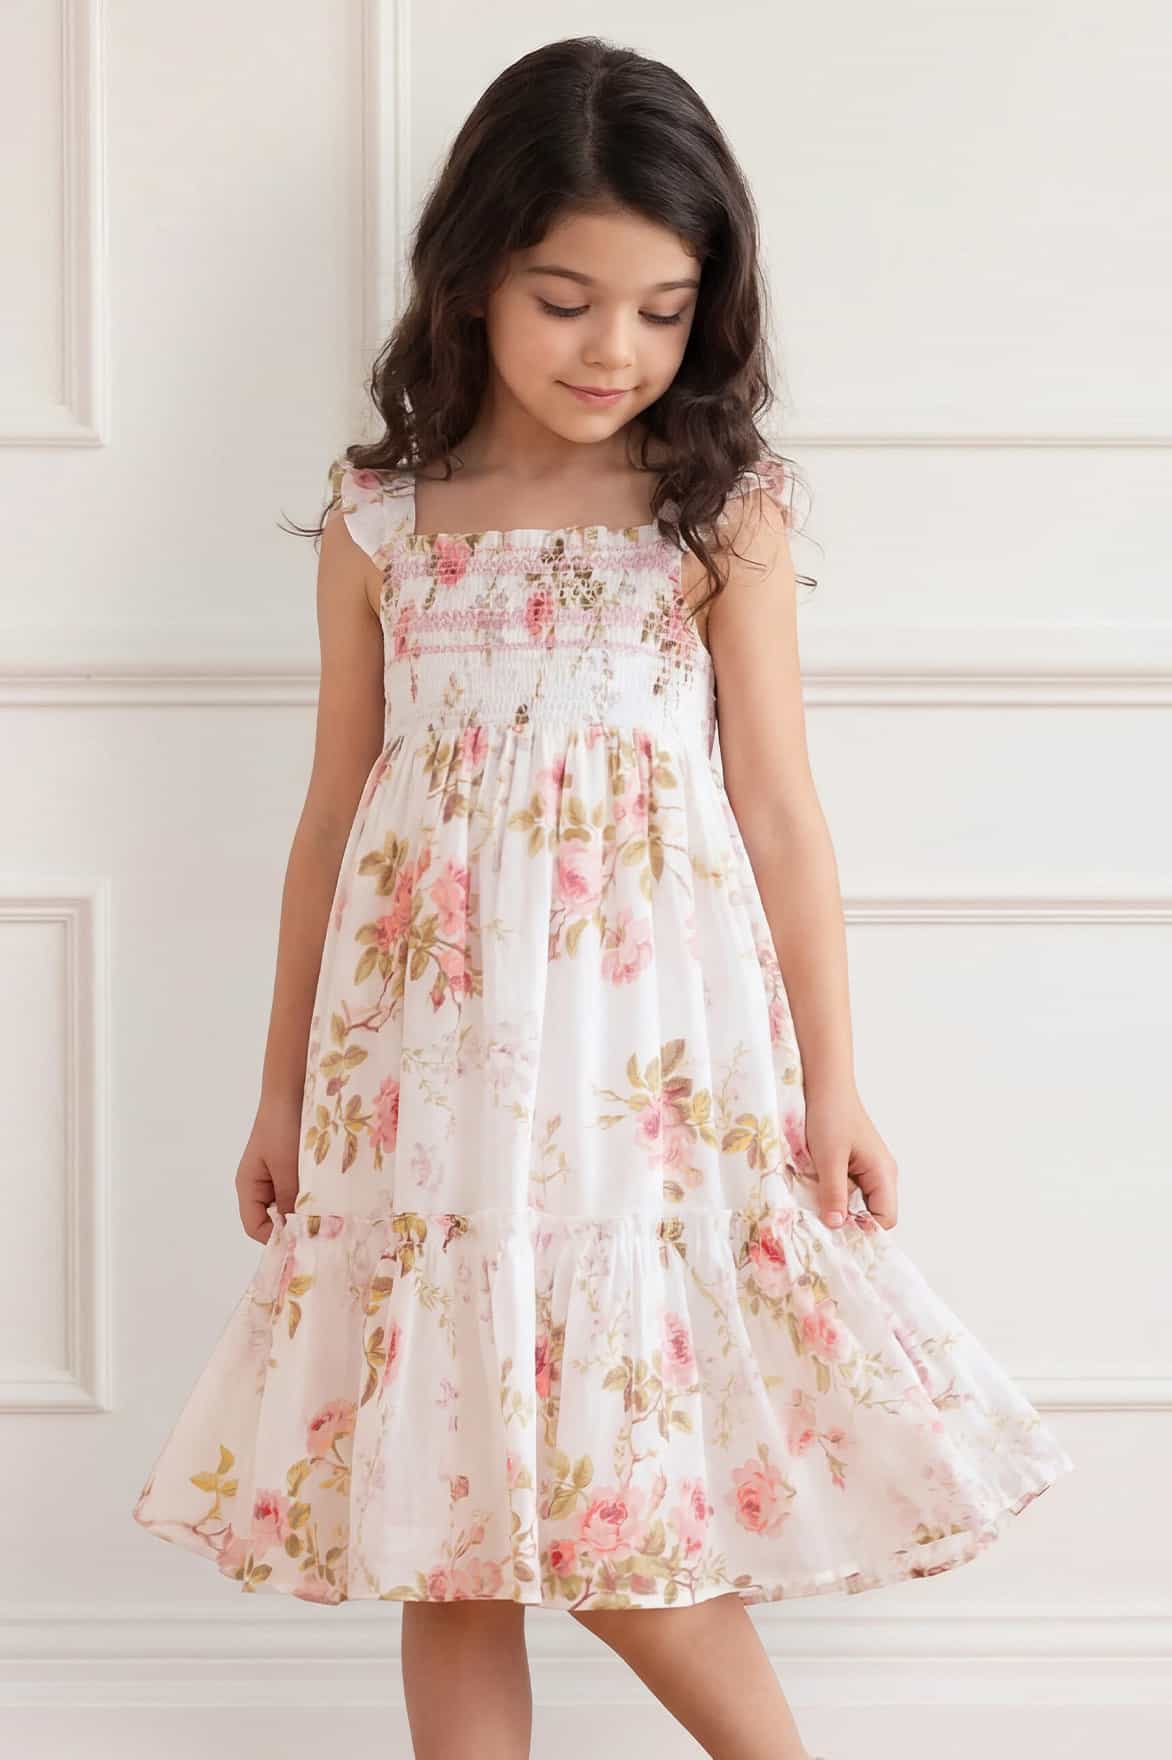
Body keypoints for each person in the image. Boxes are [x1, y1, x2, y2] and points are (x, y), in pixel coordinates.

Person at [131, 35, 1074, 1760]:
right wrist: (278, 1092)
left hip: (644, 1075)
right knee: (448, 1527)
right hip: (419, 1076)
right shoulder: (384, 522)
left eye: (661, 310)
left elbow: (781, 812)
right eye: (566, 302)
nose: (613, 351)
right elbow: (334, 814)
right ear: (474, 277)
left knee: (612, 1495)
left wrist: (836, 1084)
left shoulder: (718, 518)